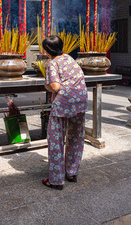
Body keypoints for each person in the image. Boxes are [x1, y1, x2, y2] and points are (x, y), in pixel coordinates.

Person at [42, 35, 88, 190]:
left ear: (47, 51)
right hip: (80, 101)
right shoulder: (69, 58)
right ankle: (72, 172)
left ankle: (55, 180)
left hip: (63, 102)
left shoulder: (52, 63)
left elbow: (55, 87)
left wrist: (47, 86)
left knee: (56, 139)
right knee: (76, 136)